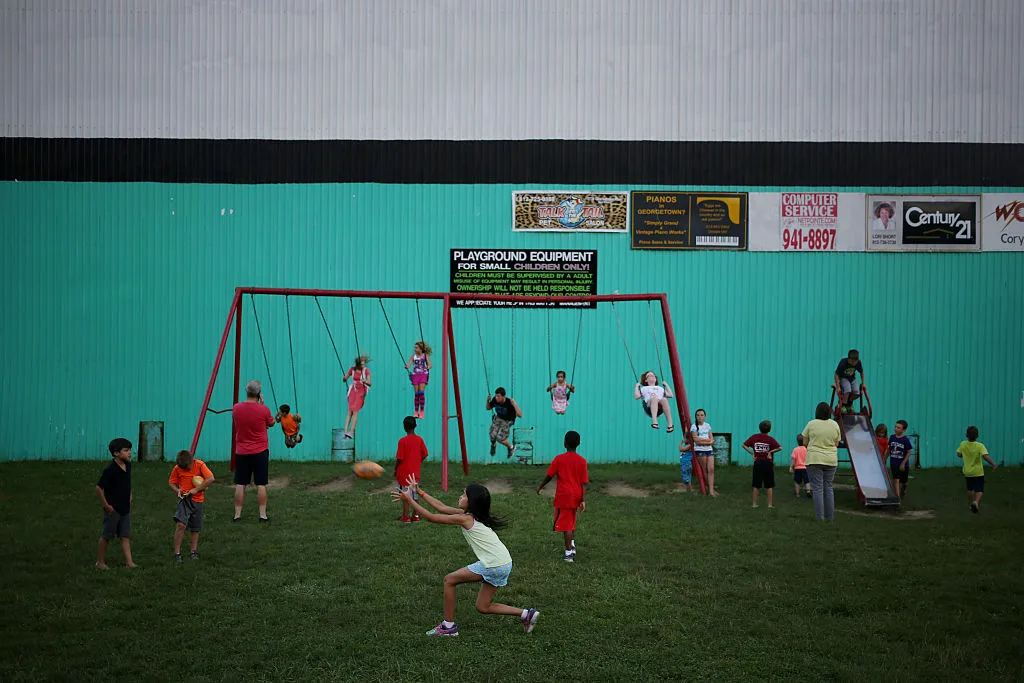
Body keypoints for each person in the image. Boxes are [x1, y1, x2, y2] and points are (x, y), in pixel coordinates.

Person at [393, 477, 540, 637]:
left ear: (472, 502)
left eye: (464, 495)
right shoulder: (470, 515)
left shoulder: (466, 518)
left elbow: (431, 517)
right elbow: (441, 508)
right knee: (483, 607)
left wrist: (409, 499)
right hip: (504, 562)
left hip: (493, 564)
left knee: (449, 580)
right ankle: (526, 614)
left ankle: (448, 627)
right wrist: (419, 492)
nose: (460, 497)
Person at [536, 430, 589, 562]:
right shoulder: (582, 461)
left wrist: (540, 486)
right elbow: (584, 483)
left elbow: (549, 476)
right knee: (571, 521)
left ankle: (568, 554)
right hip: (576, 496)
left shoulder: (559, 459)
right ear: (579, 444)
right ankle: (572, 546)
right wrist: (583, 500)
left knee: (566, 526)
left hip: (564, 497)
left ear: (564, 443)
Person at [232, 379, 275, 522]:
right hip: (260, 451)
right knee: (261, 483)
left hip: (242, 450)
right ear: (259, 393)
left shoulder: (236, 408)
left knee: (240, 483)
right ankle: (262, 515)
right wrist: (262, 405)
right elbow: (271, 423)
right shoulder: (264, 409)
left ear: (247, 391)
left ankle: (237, 514)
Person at [95, 438, 136, 569]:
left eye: (130, 450)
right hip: (113, 509)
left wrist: (130, 495)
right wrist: (106, 505)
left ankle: (129, 562)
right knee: (107, 536)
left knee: (125, 536)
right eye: (126, 450)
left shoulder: (128, 465)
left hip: (125, 508)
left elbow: (127, 482)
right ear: (116, 453)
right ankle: (100, 562)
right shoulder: (110, 470)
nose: (129, 453)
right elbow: (98, 488)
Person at [168, 449, 215, 563]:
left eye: (188, 468)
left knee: (195, 527)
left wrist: (197, 489)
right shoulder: (177, 468)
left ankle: (193, 551)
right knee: (181, 525)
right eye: (183, 469)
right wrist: (177, 490)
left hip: (197, 500)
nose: (186, 470)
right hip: (185, 500)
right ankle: (177, 553)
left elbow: (210, 478)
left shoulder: (200, 465)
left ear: (192, 461)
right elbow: (172, 482)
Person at [802, 402, 842, 521]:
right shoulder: (835, 425)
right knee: (828, 487)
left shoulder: (811, 424)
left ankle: (820, 517)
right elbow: (836, 443)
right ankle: (830, 517)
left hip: (814, 459)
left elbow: (804, 442)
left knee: (818, 488)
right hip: (831, 460)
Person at [394, 415, 429, 523]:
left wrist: (396, 469)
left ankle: (405, 517)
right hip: (415, 473)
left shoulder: (402, 441)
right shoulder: (419, 440)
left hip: (404, 473)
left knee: (405, 495)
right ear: (415, 426)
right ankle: (416, 515)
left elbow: (399, 458)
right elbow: (425, 454)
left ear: (404, 427)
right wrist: (418, 462)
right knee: (415, 495)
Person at [957, 425, 996, 513]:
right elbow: (985, 457)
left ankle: (971, 504)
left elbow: (959, 455)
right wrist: (993, 464)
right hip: (978, 472)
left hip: (967, 472)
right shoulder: (980, 446)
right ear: (977, 436)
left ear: (966, 435)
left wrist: (964, 454)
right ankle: (976, 502)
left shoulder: (963, 444)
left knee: (970, 489)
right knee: (980, 490)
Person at [743, 420, 782, 509]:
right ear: (769, 430)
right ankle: (769, 504)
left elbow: (744, 445)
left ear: (759, 428)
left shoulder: (754, 437)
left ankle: (755, 504)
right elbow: (780, 447)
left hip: (758, 463)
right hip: (768, 463)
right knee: (769, 485)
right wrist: (770, 451)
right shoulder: (770, 439)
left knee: (756, 485)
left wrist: (752, 453)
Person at [486, 387, 522, 458]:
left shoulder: (509, 403)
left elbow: (520, 415)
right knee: (492, 435)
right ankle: (493, 445)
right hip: (499, 418)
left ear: (503, 396)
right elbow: (488, 408)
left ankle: (511, 447)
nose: (496, 398)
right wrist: (488, 400)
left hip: (508, 420)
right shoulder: (495, 400)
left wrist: (514, 404)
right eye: (496, 396)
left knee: (500, 438)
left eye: (498, 396)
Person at [342, 355, 372, 438]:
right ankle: (345, 431)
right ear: (358, 364)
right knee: (350, 411)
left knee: (355, 411)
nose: (363, 366)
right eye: (362, 364)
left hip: (361, 391)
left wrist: (364, 381)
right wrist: (344, 378)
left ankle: (351, 431)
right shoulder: (352, 369)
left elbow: (370, 383)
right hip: (353, 390)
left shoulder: (366, 371)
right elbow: (345, 378)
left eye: (364, 364)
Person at [691, 409, 717, 496]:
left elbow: (712, 439)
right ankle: (710, 490)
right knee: (705, 470)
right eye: (698, 415)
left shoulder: (708, 425)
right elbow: (696, 441)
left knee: (711, 470)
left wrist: (705, 441)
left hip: (709, 450)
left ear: (705, 416)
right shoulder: (694, 427)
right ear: (696, 417)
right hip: (700, 450)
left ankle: (711, 489)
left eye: (702, 415)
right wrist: (707, 441)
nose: (700, 417)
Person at [404, 341, 432, 419]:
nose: (415, 349)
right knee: (416, 394)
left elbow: (430, 364)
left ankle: (422, 411)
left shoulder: (425, 356)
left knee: (421, 392)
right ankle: (416, 411)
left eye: (416, 348)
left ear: (421, 348)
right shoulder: (413, 357)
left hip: (423, 374)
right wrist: (407, 366)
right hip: (415, 375)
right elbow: (409, 364)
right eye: (414, 348)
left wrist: (428, 367)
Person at [888, 420, 914, 500]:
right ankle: (897, 498)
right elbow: (889, 449)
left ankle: (904, 489)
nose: (896, 429)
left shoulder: (905, 440)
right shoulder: (892, 437)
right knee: (896, 479)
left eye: (898, 428)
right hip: (894, 463)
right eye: (895, 427)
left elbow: (909, 452)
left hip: (903, 465)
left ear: (904, 430)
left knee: (904, 482)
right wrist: (884, 458)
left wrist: (903, 463)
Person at [834, 349, 866, 414]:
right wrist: (838, 387)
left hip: (852, 378)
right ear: (848, 359)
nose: (852, 363)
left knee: (857, 392)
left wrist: (863, 383)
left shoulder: (858, 363)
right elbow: (836, 374)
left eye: (854, 362)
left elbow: (862, 372)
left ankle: (849, 404)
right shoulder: (843, 362)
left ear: (857, 361)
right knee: (847, 389)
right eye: (851, 361)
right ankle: (843, 405)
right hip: (843, 378)